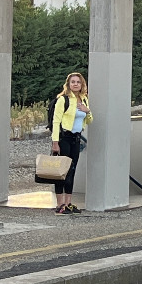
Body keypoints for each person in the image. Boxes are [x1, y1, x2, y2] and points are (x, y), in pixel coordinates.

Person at [47, 72, 90, 214]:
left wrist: (87, 111)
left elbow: (89, 120)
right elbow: (56, 121)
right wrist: (55, 142)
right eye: (73, 82)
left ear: (82, 84)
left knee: (72, 170)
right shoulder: (63, 100)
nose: (76, 84)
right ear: (68, 84)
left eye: (78, 82)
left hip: (76, 139)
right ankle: (60, 204)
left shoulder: (83, 99)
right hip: (64, 137)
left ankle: (68, 203)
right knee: (61, 171)